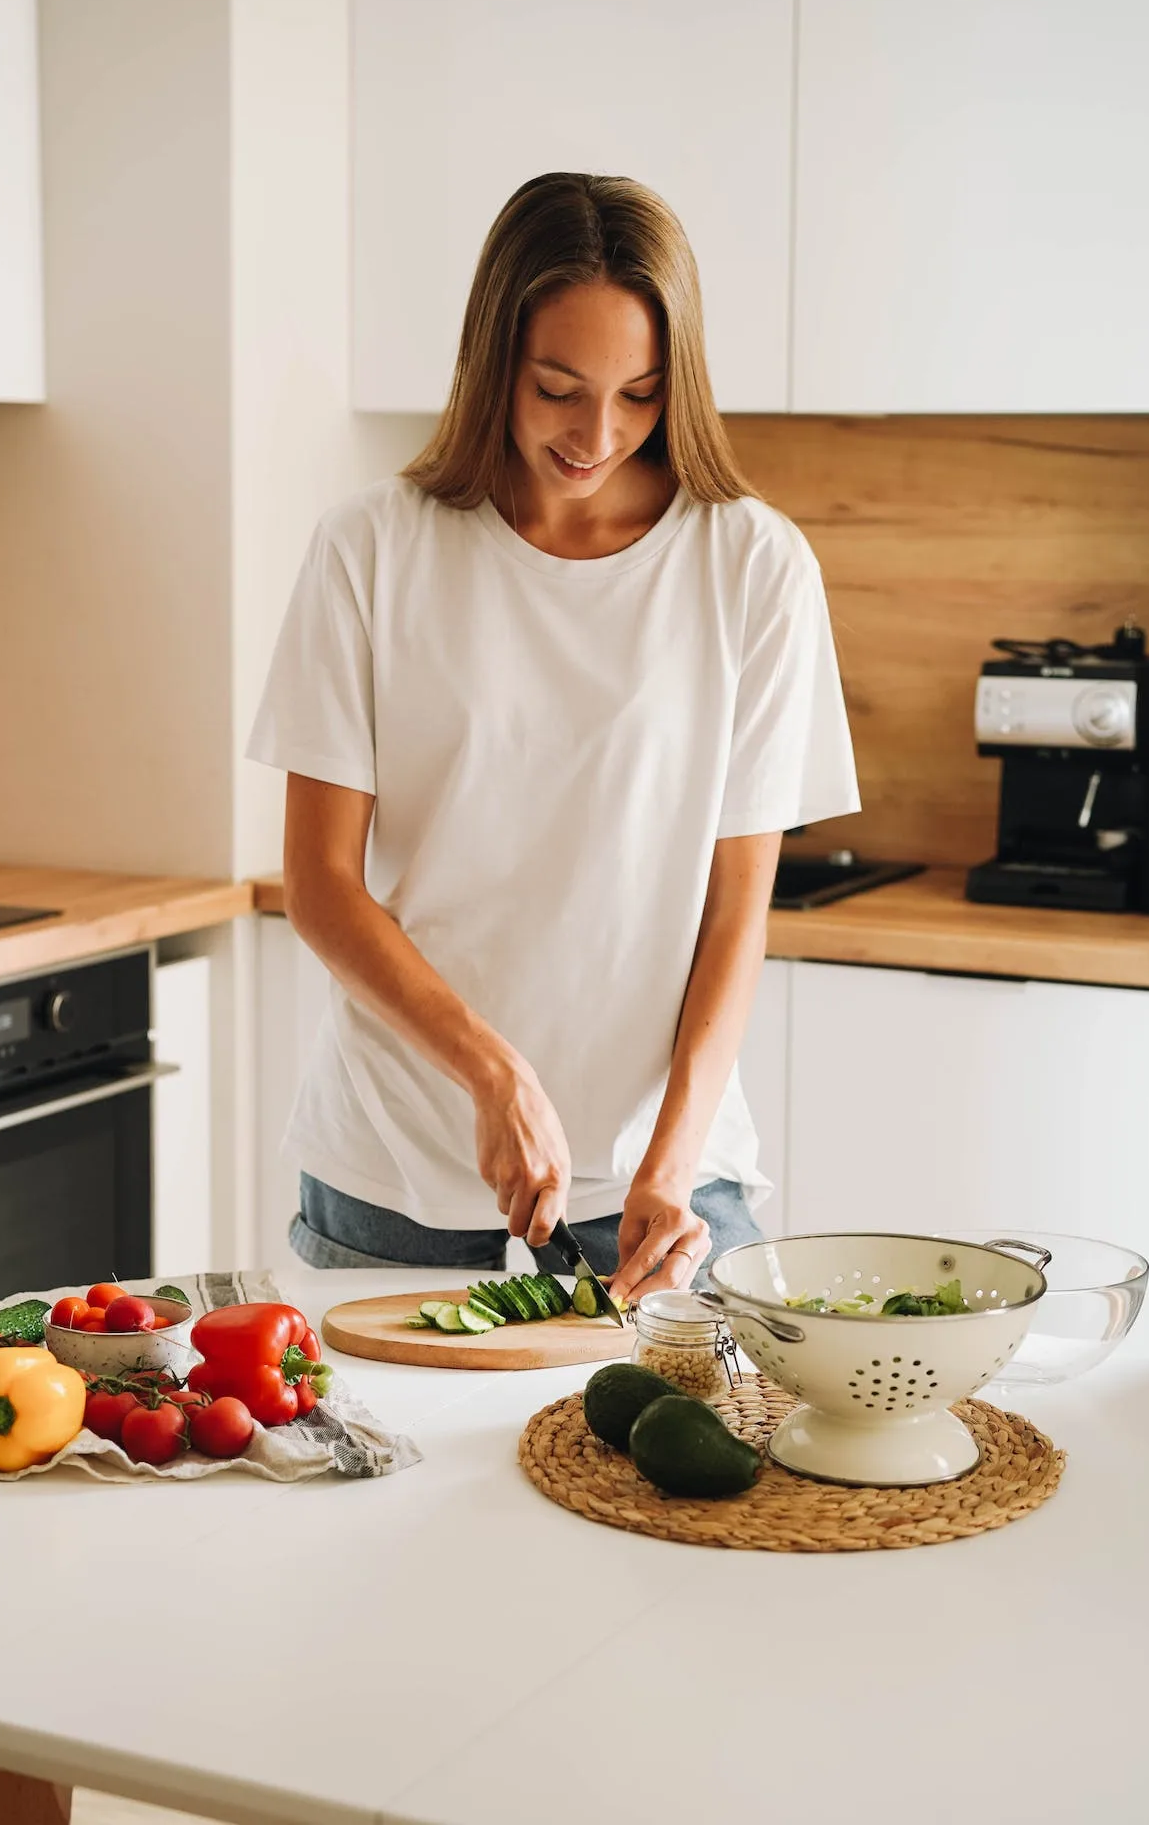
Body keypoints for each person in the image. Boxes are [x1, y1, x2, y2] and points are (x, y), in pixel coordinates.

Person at [247, 171, 859, 1303]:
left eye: (637, 394)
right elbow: (321, 884)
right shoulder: (370, 551)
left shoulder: (751, 565)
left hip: (663, 1189)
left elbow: (735, 910)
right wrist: (491, 1072)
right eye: (557, 389)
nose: (597, 434)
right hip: (394, 1177)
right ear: (494, 363)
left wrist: (670, 1165)